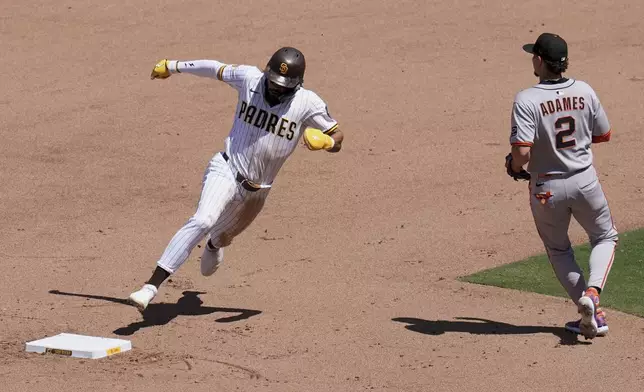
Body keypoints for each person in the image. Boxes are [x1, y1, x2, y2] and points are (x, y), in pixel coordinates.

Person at [128, 47, 344, 311]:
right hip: (226, 169)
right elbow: (213, 67)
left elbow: (338, 136)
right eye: (274, 82)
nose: (276, 89)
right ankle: (150, 287)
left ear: (298, 84)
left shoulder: (308, 103)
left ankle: (214, 243)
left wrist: (327, 142)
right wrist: (172, 66)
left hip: (257, 193)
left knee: (221, 238)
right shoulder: (249, 79)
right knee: (203, 219)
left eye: (283, 86)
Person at [504, 33, 618, 340]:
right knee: (605, 236)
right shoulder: (584, 90)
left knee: (558, 249)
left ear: (540, 61)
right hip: (585, 182)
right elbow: (603, 135)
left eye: (533, 56)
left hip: (546, 189)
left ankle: (593, 311)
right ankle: (593, 296)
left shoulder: (526, 99)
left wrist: (514, 167)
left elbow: (522, 153)